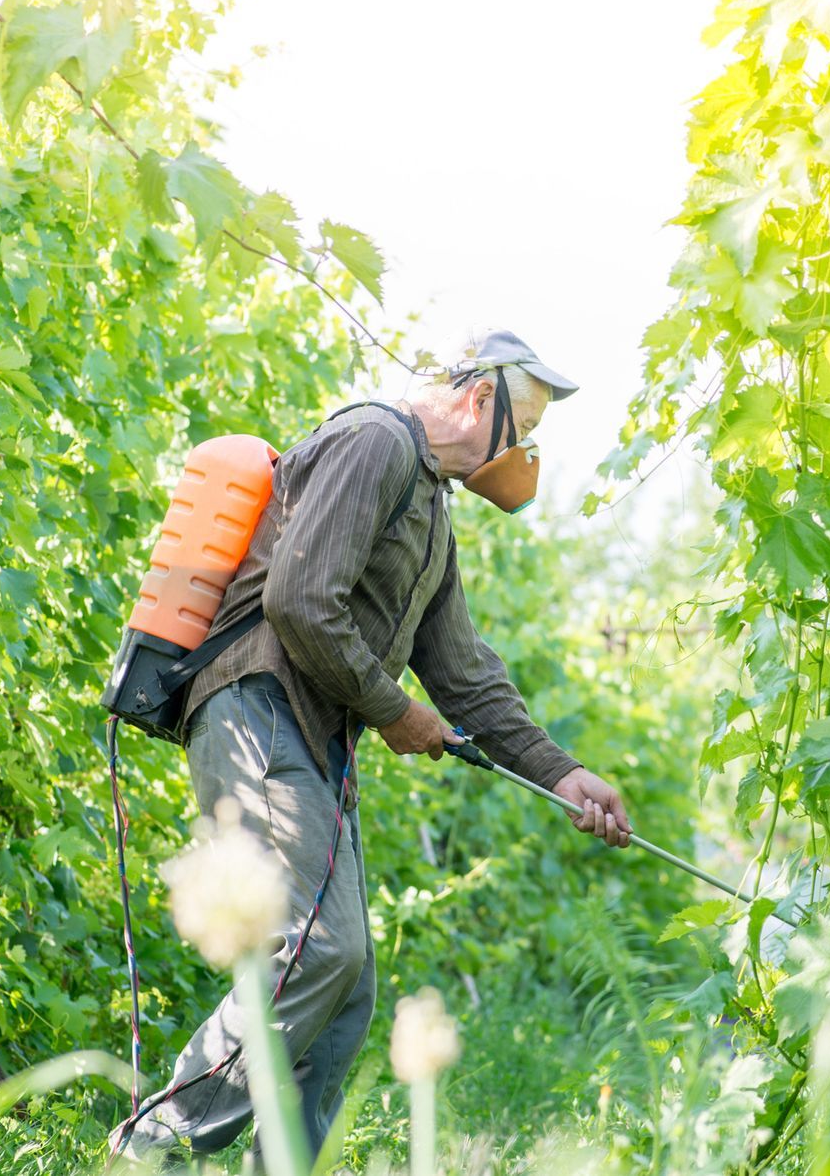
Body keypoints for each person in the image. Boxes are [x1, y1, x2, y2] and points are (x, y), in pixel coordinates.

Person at [114, 330, 633, 1164]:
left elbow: (464, 675)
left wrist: (565, 774)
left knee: (346, 992)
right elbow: (301, 600)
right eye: (524, 425)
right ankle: (154, 1152)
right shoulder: (375, 441)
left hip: (312, 732)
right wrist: (395, 711)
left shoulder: (431, 509)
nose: (526, 451)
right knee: (320, 951)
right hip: (255, 705)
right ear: (475, 399)